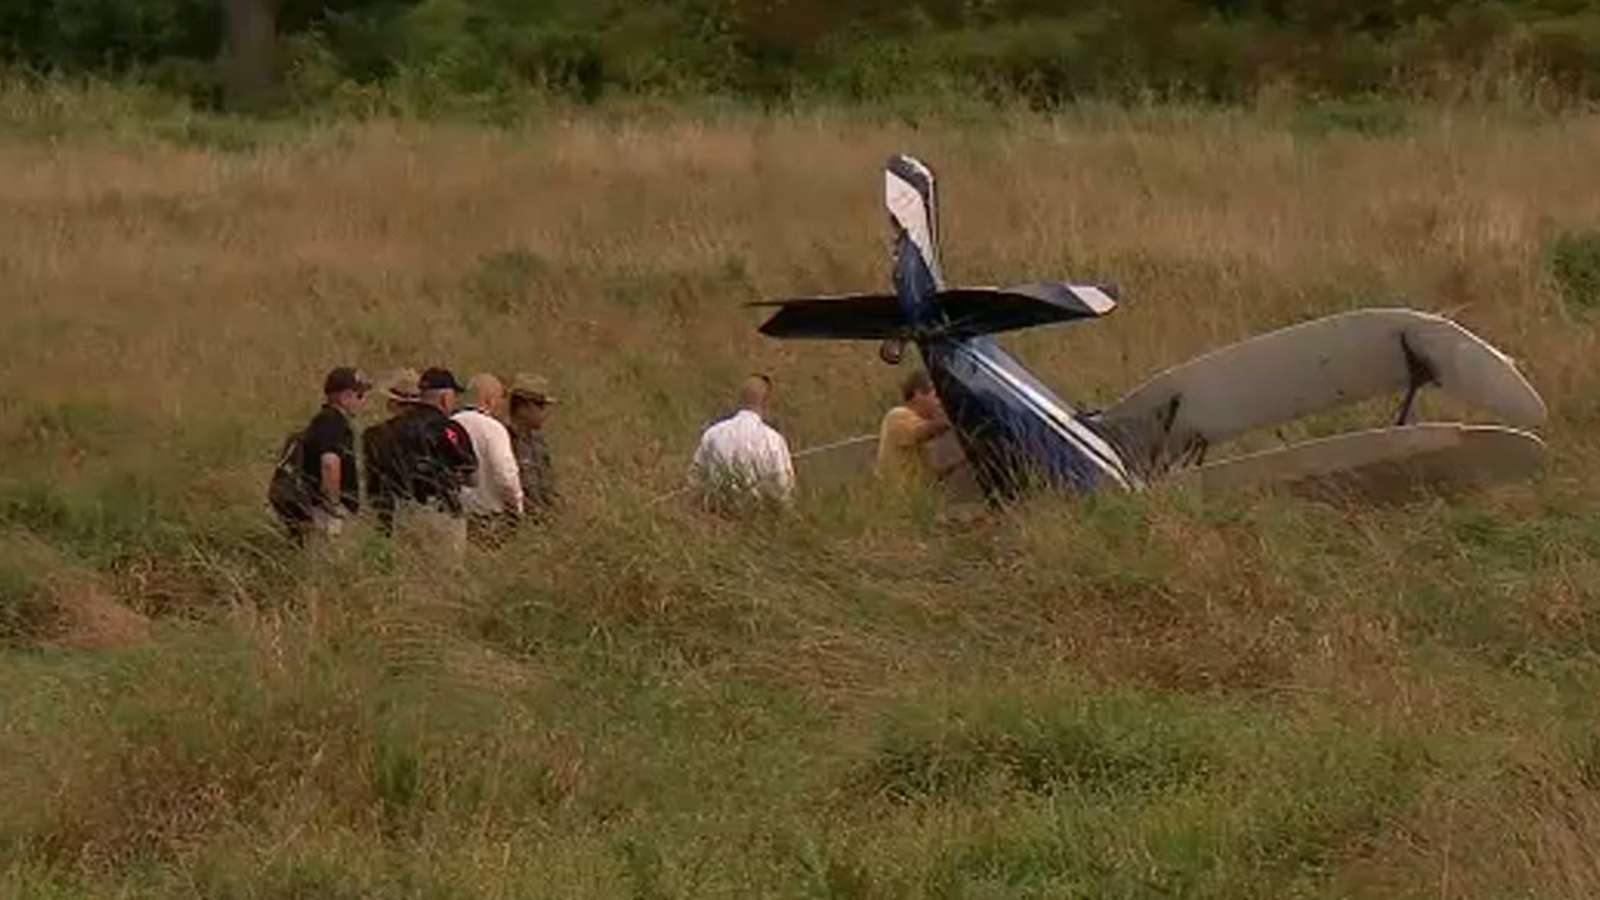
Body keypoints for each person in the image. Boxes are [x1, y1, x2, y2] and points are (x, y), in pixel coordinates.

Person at [390, 367, 479, 566]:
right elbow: (472, 477)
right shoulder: (450, 430)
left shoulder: (393, 429)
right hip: (442, 513)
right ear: (445, 398)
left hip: (404, 511)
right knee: (446, 577)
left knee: (408, 576)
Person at [688, 374, 795, 514]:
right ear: (766, 402)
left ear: (739, 400)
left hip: (716, 515)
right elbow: (783, 486)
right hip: (757, 518)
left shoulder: (713, 433)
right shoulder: (774, 441)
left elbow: (696, 477)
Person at [297, 366, 369, 547]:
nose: (363, 402)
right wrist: (335, 506)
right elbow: (329, 462)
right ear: (344, 397)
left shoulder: (328, 421)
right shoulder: (331, 422)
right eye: (359, 395)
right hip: (326, 513)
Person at [453, 373, 525, 544]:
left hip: (455, 517)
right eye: (500, 399)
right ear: (488, 399)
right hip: (488, 518)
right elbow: (505, 475)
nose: (501, 405)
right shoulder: (493, 429)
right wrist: (516, 506)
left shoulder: (449, 424)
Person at [875, 368, 961, 486]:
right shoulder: (898, 415)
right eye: (936, 396)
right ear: (918, 394)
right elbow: (921, 431)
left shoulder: (918, 424)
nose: (940, 403)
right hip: (898, 498)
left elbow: (928, 476)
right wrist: (954, 418)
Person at [361, 367, 420, 537]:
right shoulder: (431, 432)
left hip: (386, 508)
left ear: (393, 403)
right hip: (423, 508)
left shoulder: (374, 435)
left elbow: (371, 479)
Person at [508, 373, 560, 521]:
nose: (545, 413)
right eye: (541, 406)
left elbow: (548, 483)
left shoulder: (538, 441)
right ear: (523, 407)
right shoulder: (503, 439)